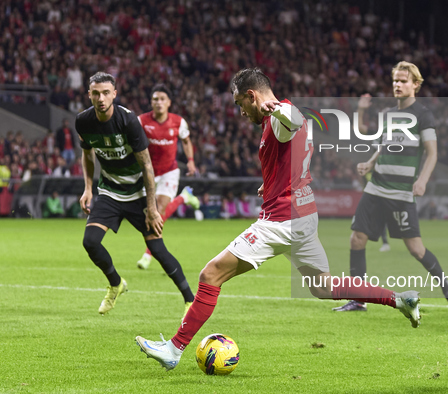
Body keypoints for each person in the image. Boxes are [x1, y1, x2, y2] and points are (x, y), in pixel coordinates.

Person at [136, 68, 421, 371]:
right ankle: (399, 299)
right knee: (323, 287)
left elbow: (294, 120)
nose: (240, 111)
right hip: (304, 215)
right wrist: (270, 181)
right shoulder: (275, 122)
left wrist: (279, 109)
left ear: (252, 95)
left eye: (240, 104)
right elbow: (292, 151)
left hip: (282, 220)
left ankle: (174, 348)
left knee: (210, 275)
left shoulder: (278, 118)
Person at [333, 62, 448, 313]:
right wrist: (369, 162)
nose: (398, 85)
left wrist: (423, 179)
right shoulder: (389, 114)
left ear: (415, 84)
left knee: (416, 249)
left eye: (403, 81)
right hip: (376, 187)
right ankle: (358, 299)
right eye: (395, 80)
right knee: (356, 239)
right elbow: (382, 144)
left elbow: (432, 153)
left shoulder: (423, 115)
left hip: (402, 193)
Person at [76, 72, 194, 315]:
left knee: (159, 250)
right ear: (89, 94)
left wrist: (151, 208)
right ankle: (116, 284)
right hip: (109, 191)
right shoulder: (83, 121)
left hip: (137, 193)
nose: (101, 98)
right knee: (90, 242)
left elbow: (147, 166)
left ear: (114, 94)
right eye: (96, 93)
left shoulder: (128, 121)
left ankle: (190, 301)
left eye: (106, 93)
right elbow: (87, 155)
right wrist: (88, 188)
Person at [136, 84, 201, 270]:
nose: (159, 102)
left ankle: (148, 255)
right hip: (147, 171)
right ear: (151, 102)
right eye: (155, 99)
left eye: (162, 99)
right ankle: (184, 197)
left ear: (169, 103)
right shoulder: (142, 121)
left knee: (158, 209)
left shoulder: (178, 122)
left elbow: (186, 141)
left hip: (169, 172)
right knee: (148, 213)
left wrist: (190, 161)